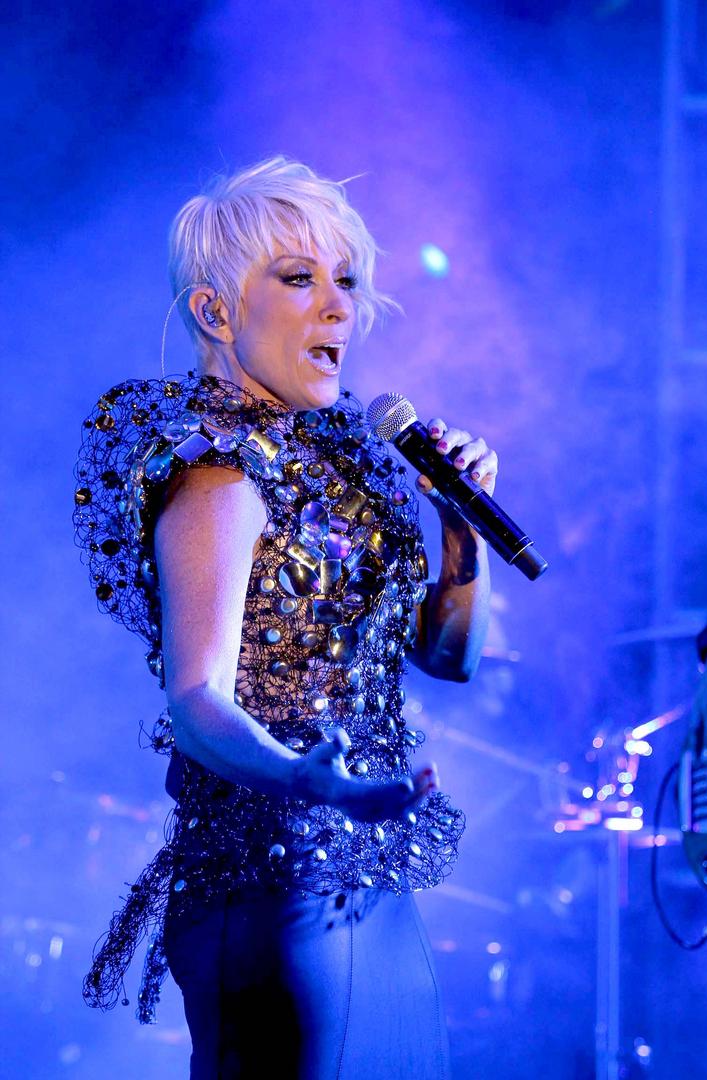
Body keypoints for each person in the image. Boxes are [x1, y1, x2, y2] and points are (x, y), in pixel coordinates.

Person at [73, 156, 497, 1078]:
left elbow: (450, 659)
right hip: (275, 879)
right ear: (216, 313)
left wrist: (460, 531)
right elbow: (197, 699)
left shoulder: (339, 473)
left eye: (347, 280)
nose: (340, 307)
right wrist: (307, 782)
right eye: (300, 279)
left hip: (371, 877)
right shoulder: (220, 477)